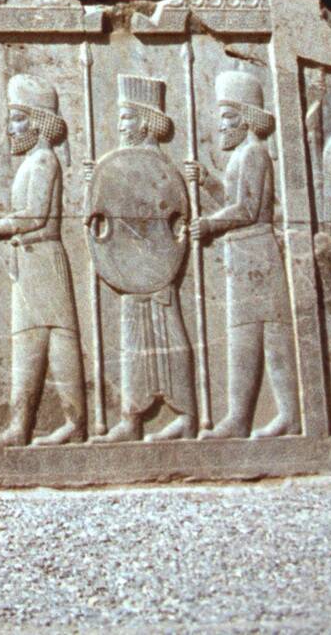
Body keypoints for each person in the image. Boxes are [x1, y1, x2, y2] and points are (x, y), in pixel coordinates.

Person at [0, 74, 84, 445]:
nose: (10, 128)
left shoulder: (42, 162)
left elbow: (35, 216)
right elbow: (22, 210)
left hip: (43, 259)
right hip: (30, 261)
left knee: (57, 341)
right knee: (29, 343)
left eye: (17, 118)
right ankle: (21, 427)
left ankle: (73, 423)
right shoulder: (32, 162)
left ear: (37, 122)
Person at [87, 74, 196, 443]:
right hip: (130, 269)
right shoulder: (120, 164)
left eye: (127, 118)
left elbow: (175, 217)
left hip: (157, 267)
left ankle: (185, 414)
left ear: (146, 121)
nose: (120, 126)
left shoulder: (162, 169)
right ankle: (132, 417)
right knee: (132, 341)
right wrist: (97, 180)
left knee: (169, 335)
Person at [189, 69, 299, 437]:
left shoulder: (253, 153)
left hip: (257, 253)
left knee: (266, 336)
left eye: (226, 116)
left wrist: (209, 224)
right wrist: (206, 181)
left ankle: (283, 415)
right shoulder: (242, 155)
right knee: (245, 335)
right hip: (244, 253)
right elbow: (234, 201)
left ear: (246, 118)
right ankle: (241, 416)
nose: (220, 126)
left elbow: (247, 210)